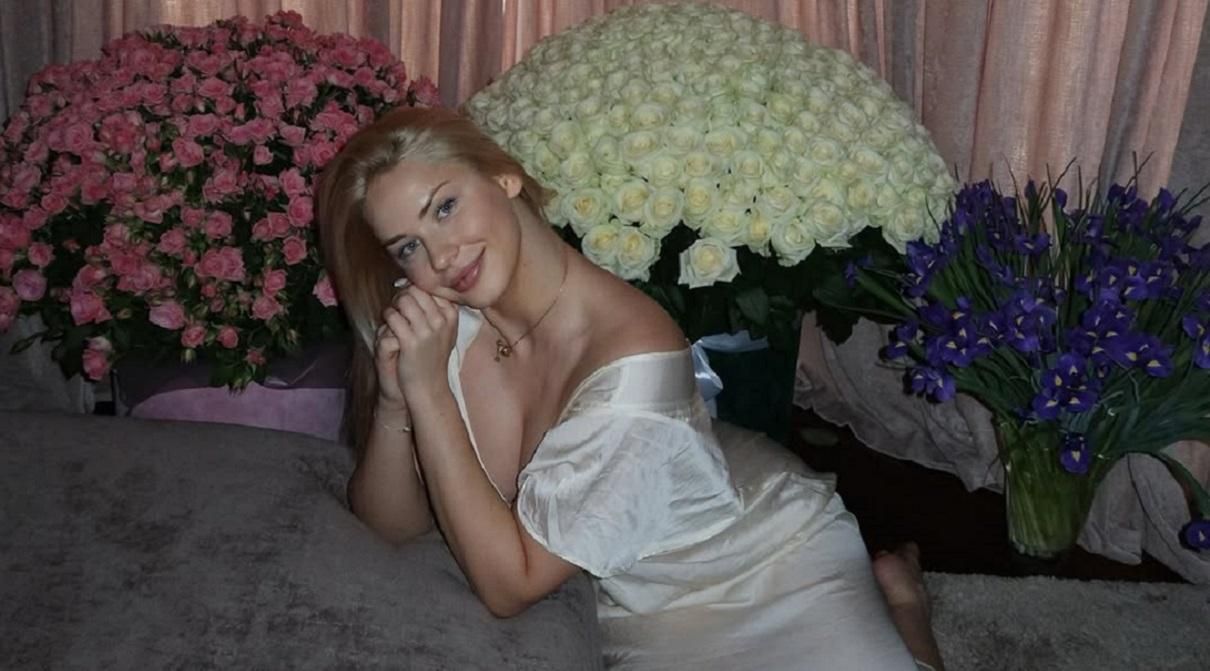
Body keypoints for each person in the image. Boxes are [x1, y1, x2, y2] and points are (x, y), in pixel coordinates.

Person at [316, 106, 945, 671]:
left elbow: (510, 587)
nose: (441, 257)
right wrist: (398, 399)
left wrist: (431, 396)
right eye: (409, 246)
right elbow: (390, 525)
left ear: (503, 177)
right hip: (628, 562)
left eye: (445, 208)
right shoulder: (447, 312)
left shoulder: (629, 361)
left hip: (750, 569)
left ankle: (904, 606)